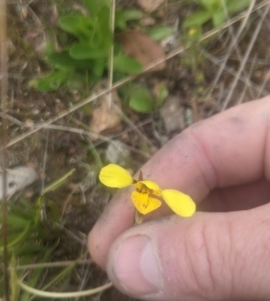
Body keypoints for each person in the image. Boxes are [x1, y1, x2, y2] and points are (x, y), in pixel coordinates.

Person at [88, 96, 270, 301]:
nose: (145, 197)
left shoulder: (160, 196)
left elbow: (185, 208)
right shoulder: (133, 187)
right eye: (142, 192)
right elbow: (109, 176)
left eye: (148, 193)